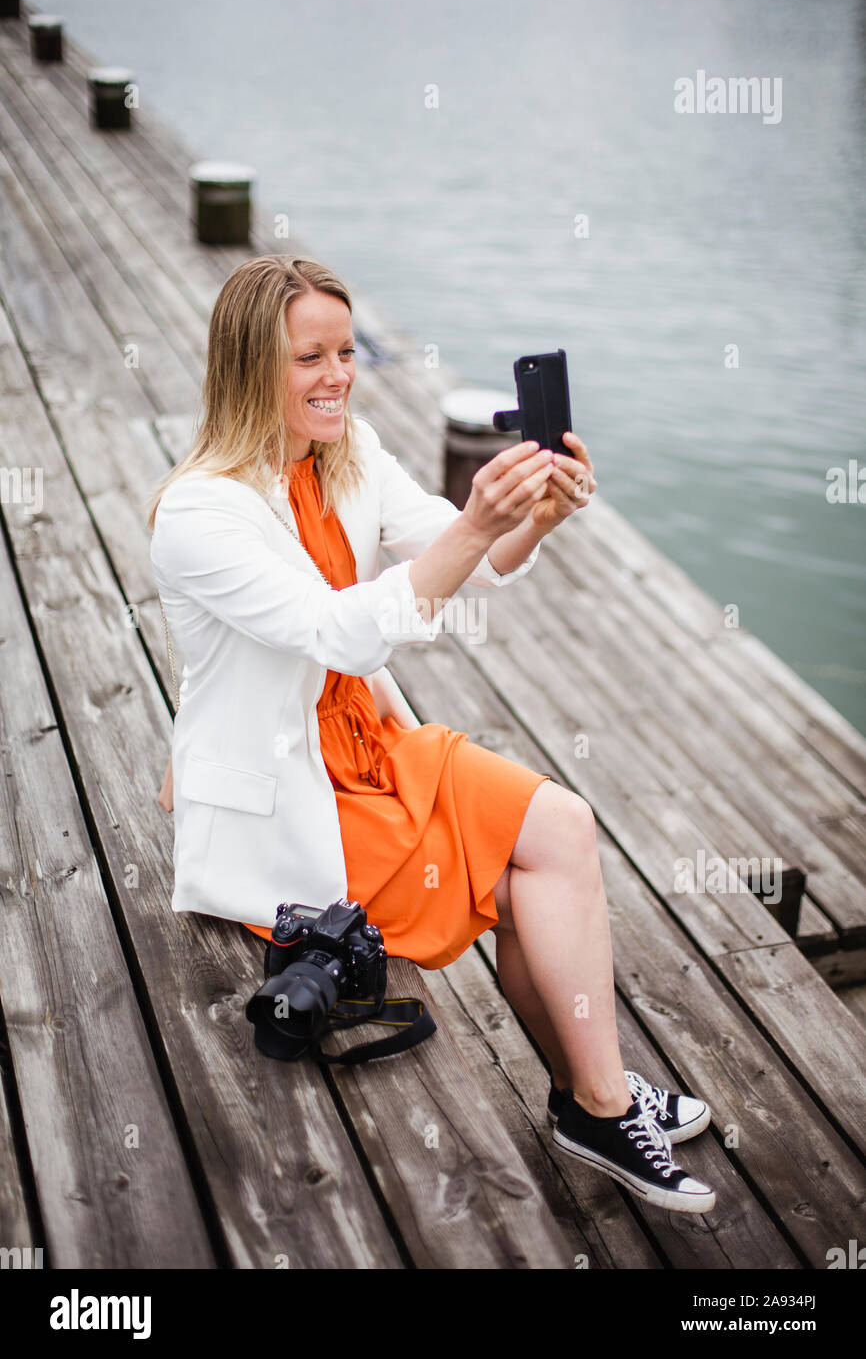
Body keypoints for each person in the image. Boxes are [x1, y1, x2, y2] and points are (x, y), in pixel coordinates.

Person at [147, 255, 716, 1215]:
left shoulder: (350, 450)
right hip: (293, 796)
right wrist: (473, 529)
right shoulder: (202, 512)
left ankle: (595, 1097)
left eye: (344, 352)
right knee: (517, 878)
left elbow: (471, 562)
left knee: (563, 827)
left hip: (370, 742)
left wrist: (532, 519)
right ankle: (601, 1099)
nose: (337, 376)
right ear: (249, 367)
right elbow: (337, 628)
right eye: (308, 359)